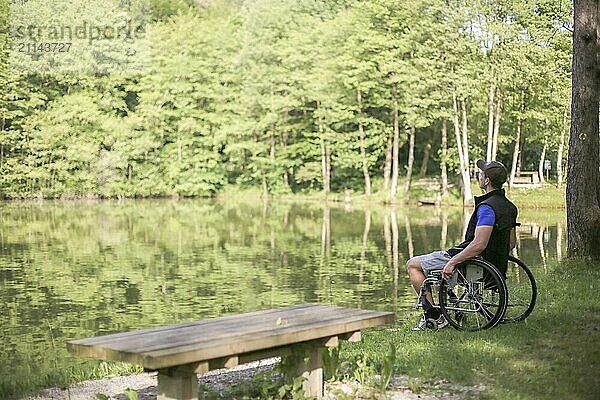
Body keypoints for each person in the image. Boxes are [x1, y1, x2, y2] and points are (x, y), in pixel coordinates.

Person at [406, 159, 518, 331]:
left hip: (472, 264)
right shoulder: (510, 207)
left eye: (481, 174)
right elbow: (511, 244)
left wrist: (453, 262)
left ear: (487, 180)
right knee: (437, 264)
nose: (479, 177)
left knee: (413, 265)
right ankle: (444, 307)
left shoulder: (487, 208)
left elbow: (479, 244)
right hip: (493, 267)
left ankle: (432, 315)